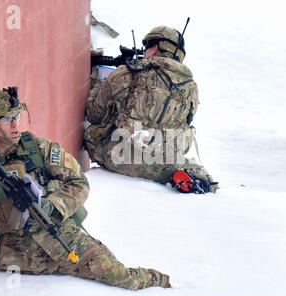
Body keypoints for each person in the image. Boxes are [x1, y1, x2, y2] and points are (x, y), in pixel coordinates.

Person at [0, 88, 170, 290]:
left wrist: (51, 205)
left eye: (17, 116)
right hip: (20, 258)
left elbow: (79, 183)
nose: (16, 123)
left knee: (118, 275)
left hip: (61, 238)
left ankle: (161, 284)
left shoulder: (39, 149)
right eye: (7, 119)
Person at [84, 26, 218, 194]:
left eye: (147, 47)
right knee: (175, 160)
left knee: (91, 134)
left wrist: (99, 83)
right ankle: (178, 173)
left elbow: (94, 113)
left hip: (119, 155)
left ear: (155, 48)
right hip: (164, 158)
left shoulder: (127, 73)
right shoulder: (191, 88)